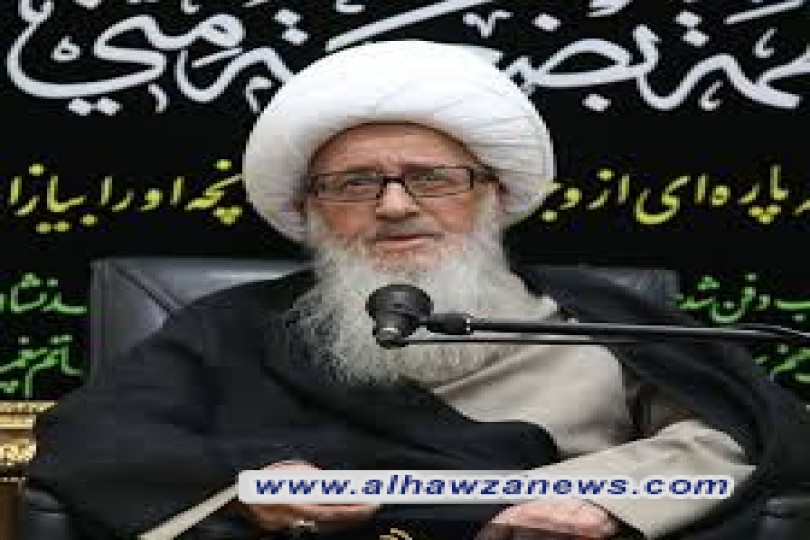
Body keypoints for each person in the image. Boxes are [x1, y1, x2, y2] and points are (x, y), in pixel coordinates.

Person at [26, 40, 810, 540]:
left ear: (493, 195)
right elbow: (95, 436)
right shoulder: (233, 326)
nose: (396, 206)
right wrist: (246, 482)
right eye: (354, 183)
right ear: (310, 212)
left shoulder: (600, 318)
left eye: (434, 178)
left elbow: (732, 433)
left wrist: (599, 500)